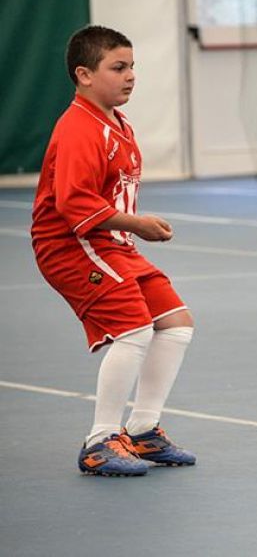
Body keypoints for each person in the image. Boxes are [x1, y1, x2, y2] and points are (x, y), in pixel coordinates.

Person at [32, 25, 196, 477]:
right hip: (71, 244)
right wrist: (137, 225)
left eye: (132, 67)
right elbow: (73, 202)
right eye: (118, 67)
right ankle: (100, 440)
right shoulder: (79, 127)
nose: (130, 76)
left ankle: (143, 431)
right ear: (84, 74)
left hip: (110, 243)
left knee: (176, 322)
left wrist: (129, 230)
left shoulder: (117, 123)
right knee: (134, 329)